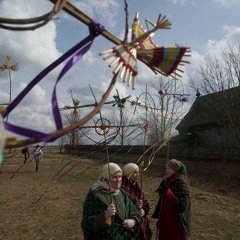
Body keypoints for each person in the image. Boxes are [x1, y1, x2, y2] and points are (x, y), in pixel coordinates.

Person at [81, 162, 140, 240]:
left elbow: (134, 210)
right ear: (106, 177)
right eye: (114, 177)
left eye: (120, 177)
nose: (118, 180)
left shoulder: (121, 192)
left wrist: (133, 221)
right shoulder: (95, 194)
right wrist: (105, 215)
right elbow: (87, 223)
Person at [152, 159, 191, 240]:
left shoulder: (181, 182)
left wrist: (167, 192)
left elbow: (182, 204)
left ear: (175, 170)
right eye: (166, 168)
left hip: (175, 220)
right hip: (165, 218)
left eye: (168, 168)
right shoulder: (167, 181)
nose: (166, 170)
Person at [121, 163, 152, 240]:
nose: (138, 175)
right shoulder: (122, 187)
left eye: (138, 172)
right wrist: (135, 207)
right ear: (129, 173)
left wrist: (144, 210)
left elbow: (145, 201)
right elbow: (123, 206)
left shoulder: (138, 185)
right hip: (131, 224)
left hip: (142, 222)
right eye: (135, 172)